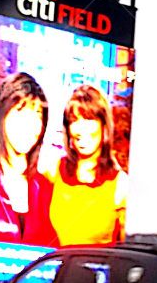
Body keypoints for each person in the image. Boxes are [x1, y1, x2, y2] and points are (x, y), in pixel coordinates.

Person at [0, 72, 57, 245]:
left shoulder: (45, 188)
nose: (29, 125)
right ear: (2, 116)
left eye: (37, 115)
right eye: (20, 112)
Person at [45, 84, 128, 246]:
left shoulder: (120, 185)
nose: (81, 130)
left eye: (89, 119)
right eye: (74, 120)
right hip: (54, 268)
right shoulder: (53, 171)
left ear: (104, 126)